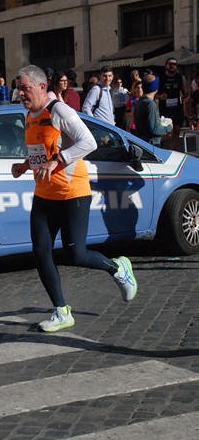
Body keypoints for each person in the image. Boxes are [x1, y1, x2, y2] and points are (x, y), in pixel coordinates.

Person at [11, 65, 137, 332]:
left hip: (72, 192)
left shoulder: (59, 111)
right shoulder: (29, 115)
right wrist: (25, 165)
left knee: (76, 254)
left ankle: (117, 268)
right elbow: (42, 152)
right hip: (44, 195)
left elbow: (88, 142)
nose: (20, 93)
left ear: (42, 87)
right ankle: (61, 311)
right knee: (41, 253)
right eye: (18, 87)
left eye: (25, 88)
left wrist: (58, 160)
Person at [157, 57, 189, 150]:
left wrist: (186, 94)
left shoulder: (180, 77)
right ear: (166, 66)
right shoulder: (160, 78)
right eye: (170, 64)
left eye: (174, 64)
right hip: (165, 109)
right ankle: (156, 145)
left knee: (176, 130)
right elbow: (153, 94)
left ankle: (172, 151)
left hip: (177, 108)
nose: (172, 66)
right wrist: (160, 96)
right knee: (167, 132)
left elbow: (185, 92)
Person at [134, 74, 173, 146]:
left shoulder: (140, 101)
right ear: (156, 88)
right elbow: (154, 128)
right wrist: (168, 128)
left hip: (142, 142)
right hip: (152, 144)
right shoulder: (150, 104)